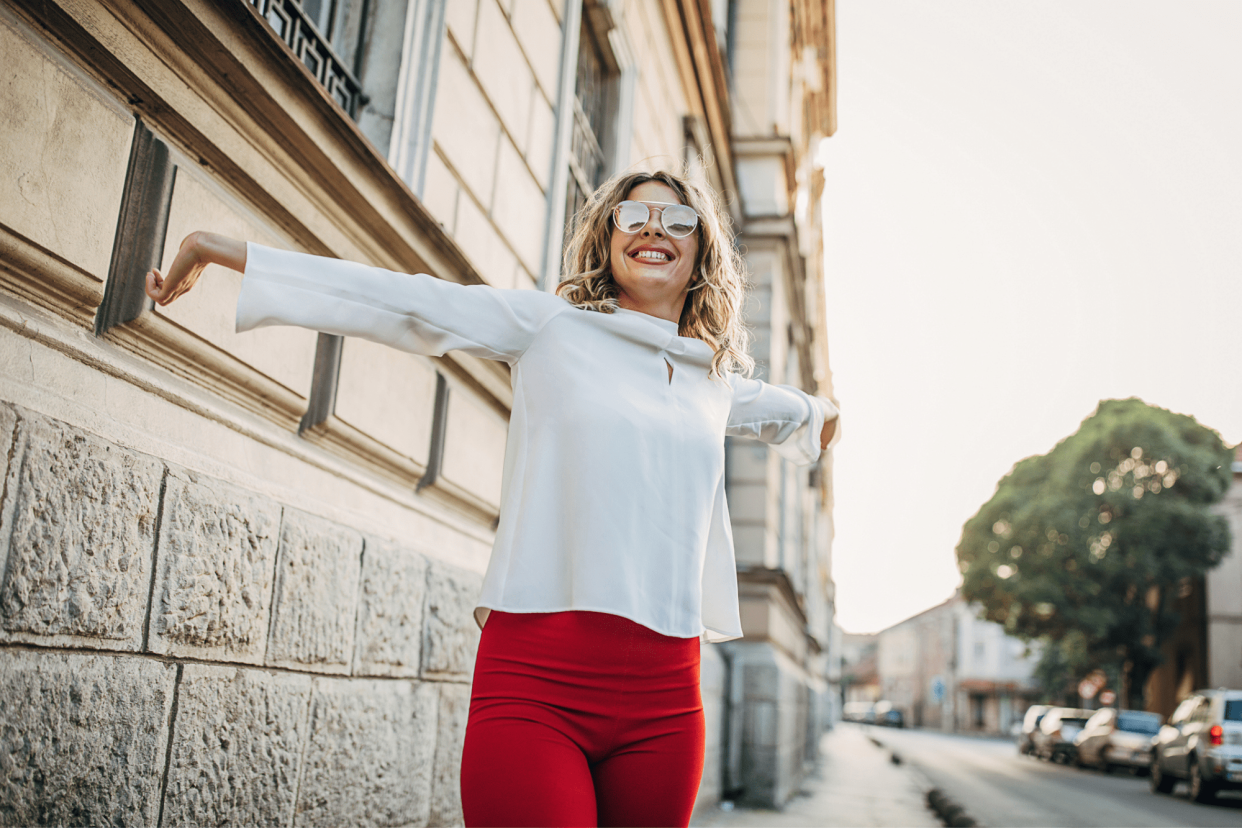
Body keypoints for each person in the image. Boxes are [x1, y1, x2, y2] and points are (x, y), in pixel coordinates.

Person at [146, 169, 840, 828]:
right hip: (537, 685)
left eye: (677, 219)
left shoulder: (714, 379)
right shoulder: (549, 327)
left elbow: (804, 415)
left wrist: (832, 414)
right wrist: (223, 250)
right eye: (634, 214)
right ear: (608, 238)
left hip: (666, 701)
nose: (652, 228)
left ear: (701, 254)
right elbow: (404, 299)